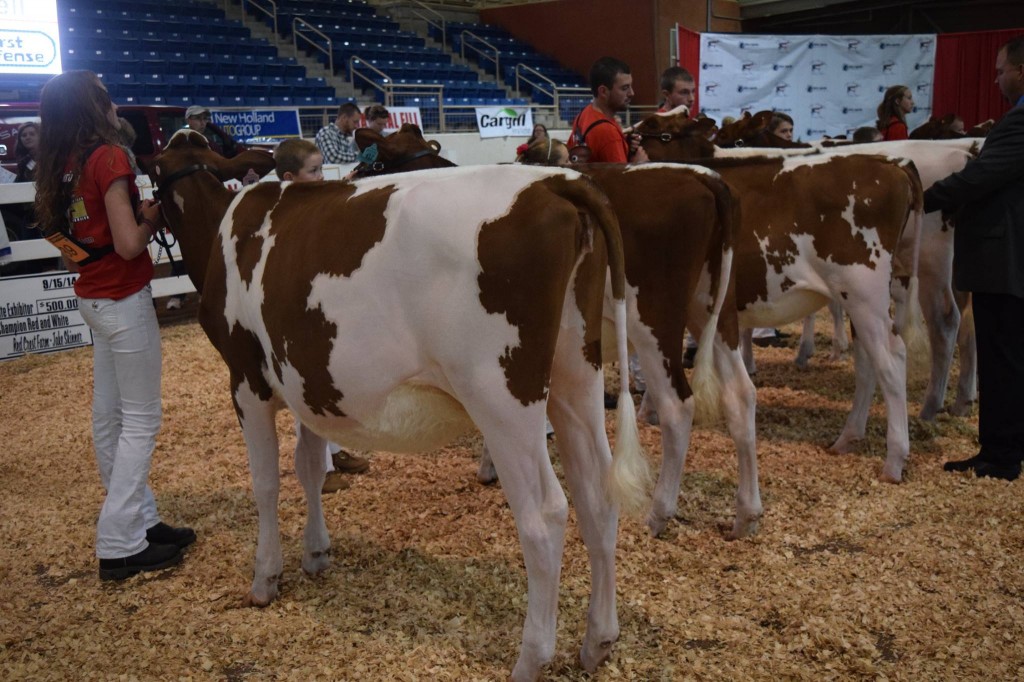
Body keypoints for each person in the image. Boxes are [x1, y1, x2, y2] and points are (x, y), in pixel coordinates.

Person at [33, 71, 195, 581]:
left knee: (109, 418)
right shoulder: (108, 156)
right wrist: (152, 216)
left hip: (93, 298)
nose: (113, 104)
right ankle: (120, 542)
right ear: (92, 106)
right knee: (142, 420)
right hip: (123, 297)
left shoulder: (58, 163)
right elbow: (129, 245)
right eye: (106, 97)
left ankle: (139, 520)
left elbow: (65, 249)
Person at [923, 36, 1024, 481]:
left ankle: (1000, 456)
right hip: (1009, 253)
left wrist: (918, 198)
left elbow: (982, 177)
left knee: (1001, 358)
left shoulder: (1020, 123)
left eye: (1001, 70)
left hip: (1004, 257)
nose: (997, 78)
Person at [273, 138, 371, 493]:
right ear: (289, 177)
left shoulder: (313, 206)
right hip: (299, 313)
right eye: (314, 172)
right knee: (307, 389)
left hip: (323, 307)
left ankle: (334, 449)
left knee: (327, 385)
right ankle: (321, 469)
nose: (321, 178)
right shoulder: (284, 214)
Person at [567, 56, 648, 163]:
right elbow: (621, 179)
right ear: (603, 91)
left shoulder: (584, 114)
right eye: (625, 88)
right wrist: (638, 165)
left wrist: (624, 145)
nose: (631, 93)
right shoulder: (608, 133)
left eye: (630, 86)